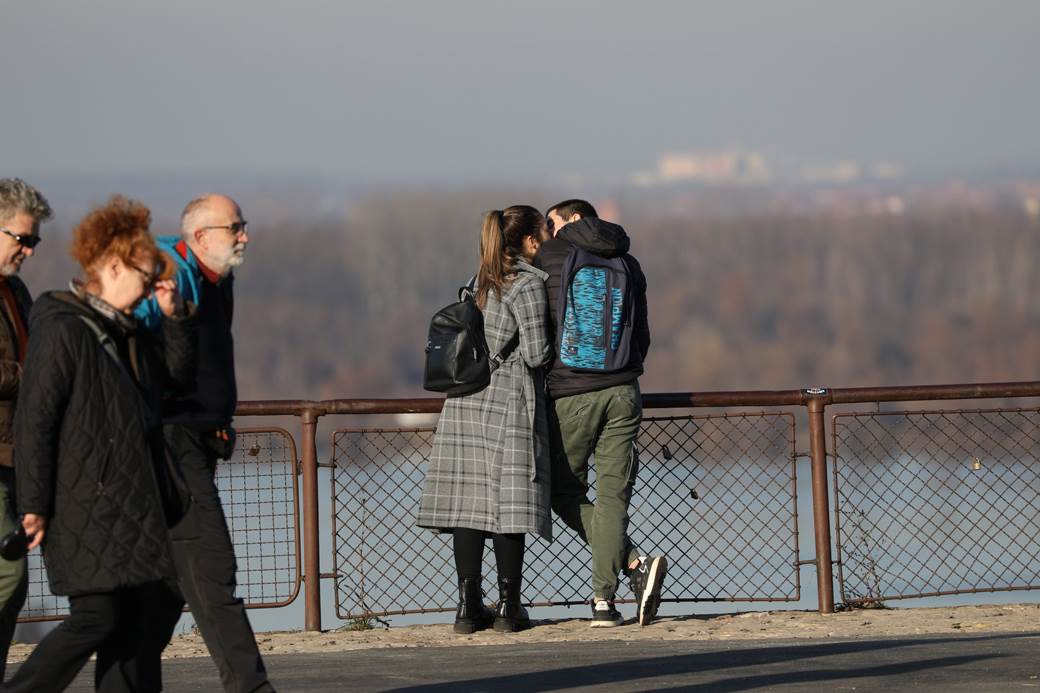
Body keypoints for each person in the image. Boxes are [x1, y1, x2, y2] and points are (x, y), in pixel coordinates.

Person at [6, 195, 195, 691]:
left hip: (131, 504)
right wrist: (34, 505)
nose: (150, 289)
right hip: (83, 503)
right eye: (146, 277)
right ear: (112, 265)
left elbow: (175, 379)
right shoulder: (63, 328)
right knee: (97, 616)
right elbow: (36, 420)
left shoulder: (127, 330)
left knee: (142, 615)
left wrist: (173, 317)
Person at [135, 194, 274, 693]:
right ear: (199, 237)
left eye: (244, 224)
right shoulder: (170, 277)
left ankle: (124, 679)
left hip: (199, 441)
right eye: (234, 227)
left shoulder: (218, 280)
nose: (245, 236)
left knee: (173, 587)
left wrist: (218, 421)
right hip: (173, 444)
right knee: (213, 569)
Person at [418, 206, 553, 633]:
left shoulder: (480, 280)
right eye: (543, 233)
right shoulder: (527, 284)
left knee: (469, 506)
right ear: (530, 240)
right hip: (507, 398)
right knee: (508, 505)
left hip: (464, 399)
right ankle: (510, 607)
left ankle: (467, 607)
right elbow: (535, 354)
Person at [533, 198, 666, 627]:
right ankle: (605, 600)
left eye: (550, 222)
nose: (547, 231)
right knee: (614, 495)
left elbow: (540, 331)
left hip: (571, 391)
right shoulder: (629, 260)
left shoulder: (549, 257)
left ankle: (632, 564)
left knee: (562, 493)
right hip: (625, 390)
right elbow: (641, 333)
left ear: (572, 218)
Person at [0, 178, 52, 682]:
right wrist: (30, 373)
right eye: (22, 238)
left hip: (16, 452)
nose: (29, 251)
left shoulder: (16, 289)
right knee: (8, 575)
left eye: (34, 240)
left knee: (13, 585)